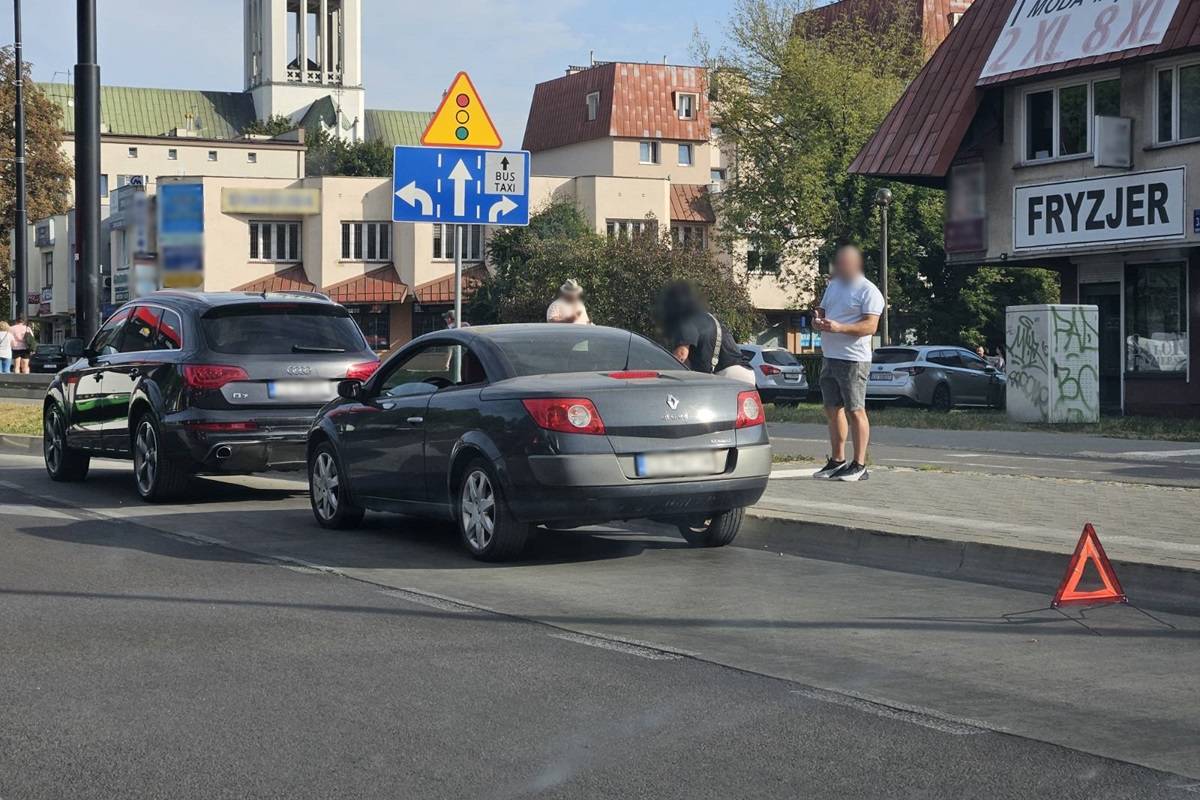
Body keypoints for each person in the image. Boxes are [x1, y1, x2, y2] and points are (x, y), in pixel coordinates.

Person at [812, 245, 884, 482]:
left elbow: (870, 327)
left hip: (853, 359)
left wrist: (840, 327)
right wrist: (818, 319)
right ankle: (837, 460)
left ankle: (860, 464)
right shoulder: (834, 285)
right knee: (832, 409)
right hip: (830, 356)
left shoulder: (868, 291)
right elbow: (822, 309)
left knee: (855, 410)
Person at [658, 282, 755, 385]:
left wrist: (663, 376)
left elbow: (681, 355)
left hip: (727, 374)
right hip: (744, 373)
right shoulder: (705, 317)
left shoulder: (685, 319)